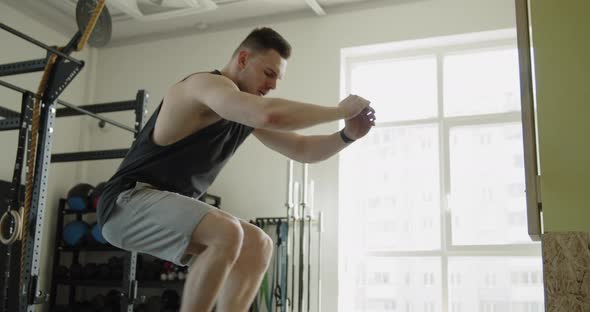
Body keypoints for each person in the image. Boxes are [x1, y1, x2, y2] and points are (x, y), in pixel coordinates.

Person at [97, 27, 375, 312]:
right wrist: (340, 111)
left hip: (160, 207)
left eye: (277, 78)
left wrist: (347, 136)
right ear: (243, 59)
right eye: (269, 73)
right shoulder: (204, 86)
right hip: (126, 203)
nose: (273, 85)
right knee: (227, 232)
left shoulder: (243, 115)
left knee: (258, 245)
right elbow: (270, 114)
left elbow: (302, 149)